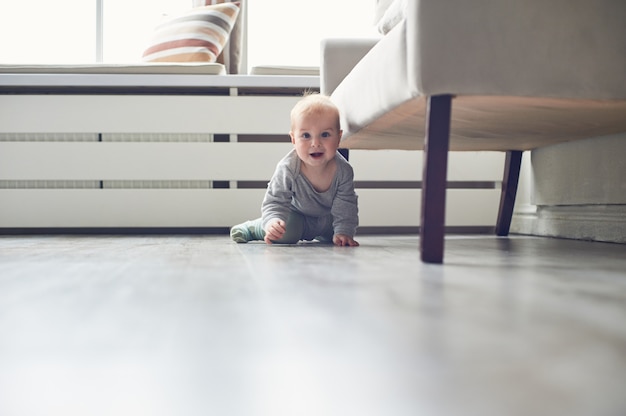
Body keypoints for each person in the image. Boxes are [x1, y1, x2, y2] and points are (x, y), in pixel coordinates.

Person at [230, 93, 359, 246]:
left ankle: (324, 233)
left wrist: (343, 231)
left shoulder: (343, 170)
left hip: (326, 219)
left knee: (339, 231)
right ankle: (256, 227)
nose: (315, 143)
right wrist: (273, 221)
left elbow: (346, 205)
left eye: (325, 134)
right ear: (293, 139)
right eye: (306, 135)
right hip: (295, 216)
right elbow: (275, 200)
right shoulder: (288, 168)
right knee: (284, 233)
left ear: (338, 137)